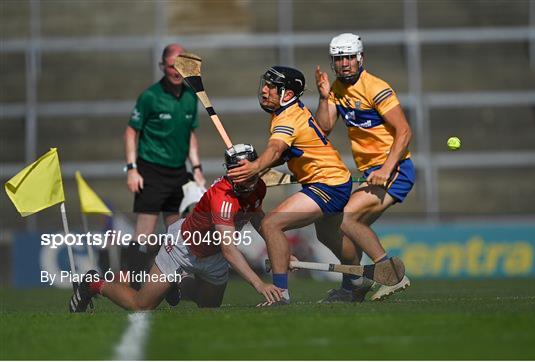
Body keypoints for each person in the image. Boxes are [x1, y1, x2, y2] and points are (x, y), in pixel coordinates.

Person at [228, 66, 404, 306]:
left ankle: (280, 293)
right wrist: (262, 167)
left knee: (272, 223)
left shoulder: (287, 118)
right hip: (334, 181)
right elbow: (288, 151)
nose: (265, 90)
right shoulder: (289, 112)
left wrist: (255, 167)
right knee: (329, 236)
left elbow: (277, 148)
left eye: (272, 87)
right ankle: (355, 282)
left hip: (327, 184)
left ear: (288, 94)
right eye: (265, 84)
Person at [69, 144, 283, 312]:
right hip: (184, 248)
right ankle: (92, 284)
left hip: (214, 255)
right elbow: (229, 249)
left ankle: (176, 285)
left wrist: (279, 252)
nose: (251, 178)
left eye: (253, 170)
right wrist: (260, 284)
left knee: (208, 307)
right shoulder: (222, 198)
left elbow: (256, 216)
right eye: (244, 172)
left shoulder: (258, 187)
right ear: (232, 173)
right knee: (141, 306)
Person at [314, 33, 414, 302]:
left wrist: (386, 168)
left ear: (360, 58)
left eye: (349, 57)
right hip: (373, 172)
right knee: (330, 225)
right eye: (338, 58)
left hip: (395, 170)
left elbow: (404, 131)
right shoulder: (335, 89)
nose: (344, 63)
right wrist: (324, 97)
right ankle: (354, 285)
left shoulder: (376, 88)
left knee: (346, 217)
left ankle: (391, 273)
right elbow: (323, 129)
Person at [123, 43, 206, 285]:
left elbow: (190, 134)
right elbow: (130, 132)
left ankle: (175, 284)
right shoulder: (150, 97)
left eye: (180, 65)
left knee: (178, 233)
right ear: (162, 67)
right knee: (144, 234)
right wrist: (132, 169)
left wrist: (197, 168)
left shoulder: (191, 97)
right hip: (150, 170)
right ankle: (136, 283)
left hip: (178, 172)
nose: (176, 71)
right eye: (171, 66)